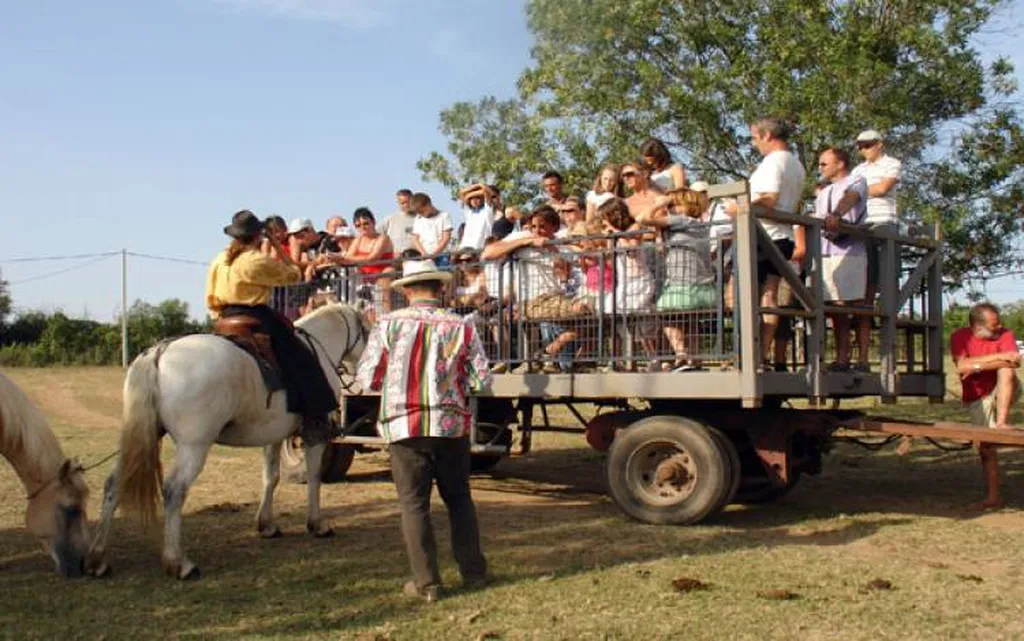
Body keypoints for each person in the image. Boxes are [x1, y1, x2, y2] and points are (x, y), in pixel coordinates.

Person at [355, 254, 491, 603]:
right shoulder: (461, 326)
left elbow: (368, 378)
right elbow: (482, 380)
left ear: (408, 290)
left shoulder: (388, 325)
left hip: (405, 425)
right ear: (439, 288)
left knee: (414, 504)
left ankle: (427, 583)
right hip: (450, 425)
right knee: (459, 499)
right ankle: (473, 573)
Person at [205, 210, 337, 444]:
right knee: (302, 358)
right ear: (258, 236)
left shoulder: (220, 258)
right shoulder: (255, 260)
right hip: (253, 316)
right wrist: (276, 243)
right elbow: (294, 274)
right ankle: (315, 418)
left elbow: (210, 293)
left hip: (223, 318)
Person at [726, 117, 807, 365]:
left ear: (767, 136)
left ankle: (746, 354)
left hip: (762, 236)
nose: (754, 143)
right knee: (769, 295)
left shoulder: (773, 162)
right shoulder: (796, 164)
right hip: (782, 237)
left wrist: (740, 207)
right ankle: (759, 355)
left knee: (736, 293)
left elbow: (770, 198)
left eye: (754, 137)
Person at [482, 206, 582, 373]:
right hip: (531, 300)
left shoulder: (562, 246)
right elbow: (488, 252)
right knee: (566, 317)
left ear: (554, 227)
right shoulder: (523, 236)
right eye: (534, 226)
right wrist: (525, 242)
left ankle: (548, 357)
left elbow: (565, 277)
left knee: (586, 317)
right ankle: (546, 358)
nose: (537, 231)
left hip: (555, 298)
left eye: (542, 226)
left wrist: (553, 251)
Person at [950, 303, 1022, 510]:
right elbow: (962, 366)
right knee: (985, 448)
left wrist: (977, 365)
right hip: (977, 396)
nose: (999, 327)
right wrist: (999, 357)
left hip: (1004, 389)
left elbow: (1014, 362)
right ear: (976, 327)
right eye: (993, 326)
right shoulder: (960, 337)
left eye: (998, 323)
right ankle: (994, 497)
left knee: (1007, 371)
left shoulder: (1005, 333)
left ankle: (1002, 422)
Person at [636, 189, 717, 371]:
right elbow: (662, 248)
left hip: (683, 287)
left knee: (666, 315)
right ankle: (694, 359)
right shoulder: (700, 225)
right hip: (705, 287)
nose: (670, 209)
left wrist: (659, 204)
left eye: (673, 205)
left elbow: (642, 218)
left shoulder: (681, 220)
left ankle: (681, 355)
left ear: (686, 206)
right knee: (691, 321)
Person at [812, 147, 868, 370]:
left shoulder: (856, 180)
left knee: (854, 304)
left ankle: (860, 358)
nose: (820, 168)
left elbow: (851, 198)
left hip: (849, 252)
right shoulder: (824, 192)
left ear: (840, 163)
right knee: (835, 307)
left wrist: (836, 215)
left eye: (824, 163)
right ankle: (841, 358)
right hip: (826, 252)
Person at [851, 130, 902, 371]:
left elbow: (882, 189)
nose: (864, 150)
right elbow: (849, 194)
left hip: (884, 225)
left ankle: (888, 359)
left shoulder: (892, 163)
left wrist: (858, 192)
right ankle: (862, 358)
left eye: (868, 145)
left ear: (879, 144)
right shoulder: (857, 170)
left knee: (889, 291)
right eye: (860, 146)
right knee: (865, 295)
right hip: (862, 228)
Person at [409, 193, 454, 264]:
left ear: (428, 205)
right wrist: (423, 253)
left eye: (422, 211)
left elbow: (446, 238)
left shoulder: (444, 216)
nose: (420, 214)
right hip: (424, 256)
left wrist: (435, 254)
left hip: (441, 255)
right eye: (418, 213)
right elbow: (415, 239)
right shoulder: (418, 219)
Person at [457, 183, 494, 251]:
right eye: (471, 199)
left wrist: (479, 185)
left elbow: (486, 191)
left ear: (483, 199)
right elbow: (461, 193)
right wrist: (474, 189)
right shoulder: (469, 212)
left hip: (479, 248)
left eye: (477, 198)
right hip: (465, 248)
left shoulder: (487, 211)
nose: (474, 200)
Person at [380, 188, 419, 254]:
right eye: (402, 203)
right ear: (398, 203)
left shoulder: (421, 219)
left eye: (408, 202)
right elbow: (375, 235)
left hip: (417, 258)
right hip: (395, 260)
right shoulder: (390, 219)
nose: (406, 205)